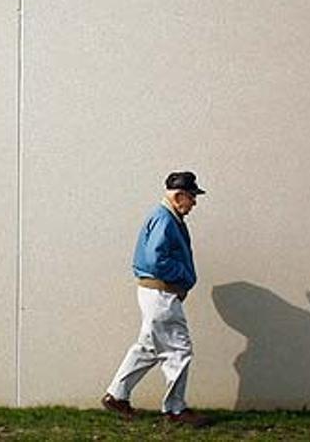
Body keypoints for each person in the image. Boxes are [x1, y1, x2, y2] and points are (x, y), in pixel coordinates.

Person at [101, 170, 213, 428]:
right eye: (192, 196)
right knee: (179, 350)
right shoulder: (165, 219)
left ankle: (117, 396)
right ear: (179, 195)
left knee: (149, 348)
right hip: (161, 294)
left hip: (154, 293)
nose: (194, 202)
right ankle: (175, 411)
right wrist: (183, 276)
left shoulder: (164, 216)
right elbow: (155, 259)